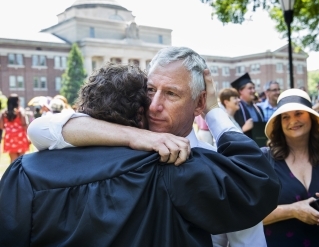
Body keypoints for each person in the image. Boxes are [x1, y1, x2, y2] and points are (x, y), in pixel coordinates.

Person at [26, 48, 280, 247]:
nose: (154, 105)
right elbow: (40, 130)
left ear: (199, 101)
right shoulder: (121, 150)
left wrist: (213, 110)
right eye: (150, 90)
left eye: (171, 94)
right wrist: (133, 136)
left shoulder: (222, 172)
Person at [262, 88, 319, 247]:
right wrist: (293, 210)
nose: (293, 121)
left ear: (311, 117)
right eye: (285, 117)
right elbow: (247, 215)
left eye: (298, 113)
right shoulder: (263, 159)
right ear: (279, 123)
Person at [230, 73, 265, 139]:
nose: (253, 91)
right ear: (240, 91)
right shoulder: (235, 109)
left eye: (254, 88)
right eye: (250, 88)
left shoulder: (259, 109)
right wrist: (243, 129)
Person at [0, 94, 30, 163]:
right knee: (22, 159)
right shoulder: (20, 111)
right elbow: (24, 124)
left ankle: (13, 173)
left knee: (13, 161)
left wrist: (9, 127)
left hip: (9, 137)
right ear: (17, 101)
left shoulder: (4, 112)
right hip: (20, 136)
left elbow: (1, 126)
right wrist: (28, 136)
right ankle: (21, 173)